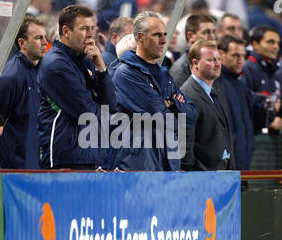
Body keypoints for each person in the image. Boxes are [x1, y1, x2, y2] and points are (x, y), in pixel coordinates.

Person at [111, 11, 198, 171]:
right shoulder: (126, 73)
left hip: (165, 164)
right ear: (140, 37)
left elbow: (192, 114)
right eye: (157, 35)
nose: (164, 40)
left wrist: (170, 103)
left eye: (164, 34)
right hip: (139, 167)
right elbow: (160, 118)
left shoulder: (163, 73)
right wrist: (176, 105)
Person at [37, 4, 117, 170]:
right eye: (84, 28)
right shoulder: (56, 64)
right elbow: (88, 112)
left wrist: (101, 68)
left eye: (92, 28)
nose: (90, 34)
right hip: (65, 159)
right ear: (66, 32)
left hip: (89, 154)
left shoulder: (86, 59)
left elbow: (110, 103)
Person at [0, 14, 48, 169]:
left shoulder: (42, 71)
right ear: (22, 43)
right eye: (38, 38)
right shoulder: (10, 76)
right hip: (14, 167)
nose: (45, 42)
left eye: (45, 37)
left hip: (35, 162)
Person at [180, 39, 235, 171]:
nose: (217, 64)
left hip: (223, 170)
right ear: (195, 63)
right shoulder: (187, 95)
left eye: (218, 59)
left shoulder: (215, 91)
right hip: (203, 176)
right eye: (211, 60)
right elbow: (184, 145)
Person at [218, 35, 270, 170]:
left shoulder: (239, 84)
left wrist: (267, 103)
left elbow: (256, 100)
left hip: (243, 162)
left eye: (243, 55)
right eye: (235, 55)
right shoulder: (216, 84)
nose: (241, 60)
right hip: (226, 166)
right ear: (221, 54)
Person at [240, 25, 282, 132]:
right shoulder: (246, 69)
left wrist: (279, 118)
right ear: (255, 44)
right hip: (252, 136)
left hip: (272, 139)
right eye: (270, 42)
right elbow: (243, 106)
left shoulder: (276, 72)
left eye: (278, 43)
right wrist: (268, 122)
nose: (276, 47)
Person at [169, 13, 217, 88]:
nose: (212, 37)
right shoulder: (181, 69)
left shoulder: (216, 63)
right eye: (206, 32)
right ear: (191, 36)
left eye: (213, 32)